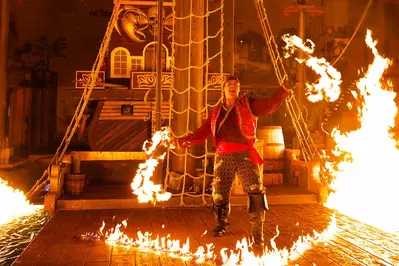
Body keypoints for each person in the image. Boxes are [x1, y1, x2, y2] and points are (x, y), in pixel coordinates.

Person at [173, 76, 292, 251]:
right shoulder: (216, 113)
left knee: (256, 191)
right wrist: (180, 142)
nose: (232, 87)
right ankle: (220, 224)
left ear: (239, 88)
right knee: (219, 194)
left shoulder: (248, 105)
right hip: (223, 156)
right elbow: (202, 132)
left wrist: (283, 90)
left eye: (236, 85)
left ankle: (257, 233)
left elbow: (269, 104)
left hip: (245, 153)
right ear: (223, 88)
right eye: (229, 84)